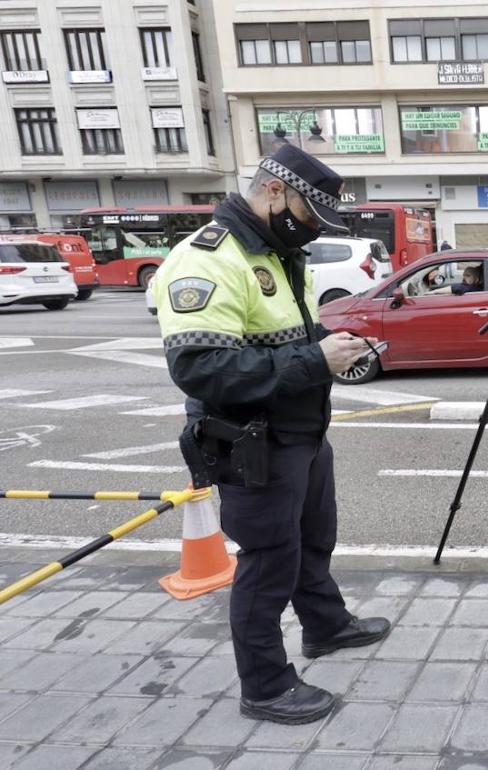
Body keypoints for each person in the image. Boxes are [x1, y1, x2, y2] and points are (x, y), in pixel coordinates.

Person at [154, 144, 392, 726]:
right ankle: (264, 685)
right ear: (275, 193)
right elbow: (201, 369)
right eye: (310, 216)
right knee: (266, 564)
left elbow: (280, 340)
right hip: (252, 443)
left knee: (314, 539)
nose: (312, 231)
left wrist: (329, 347)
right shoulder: (207, 260)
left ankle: (326, 627)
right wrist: (316, 362)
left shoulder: (282, 253)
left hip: (301, 433)